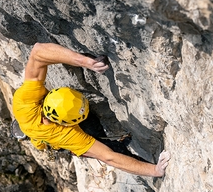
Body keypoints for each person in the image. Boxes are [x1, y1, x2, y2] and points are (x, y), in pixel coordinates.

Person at [12, 42, 171, 177]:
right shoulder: (66, 136)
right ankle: (126, 148)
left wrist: (83, 61)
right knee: (108, 146)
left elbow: (38, 51)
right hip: (58, 140)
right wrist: (154, 170)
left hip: (39, 128)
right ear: (68, 124)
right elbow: (109, 157)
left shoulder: (25, 101)